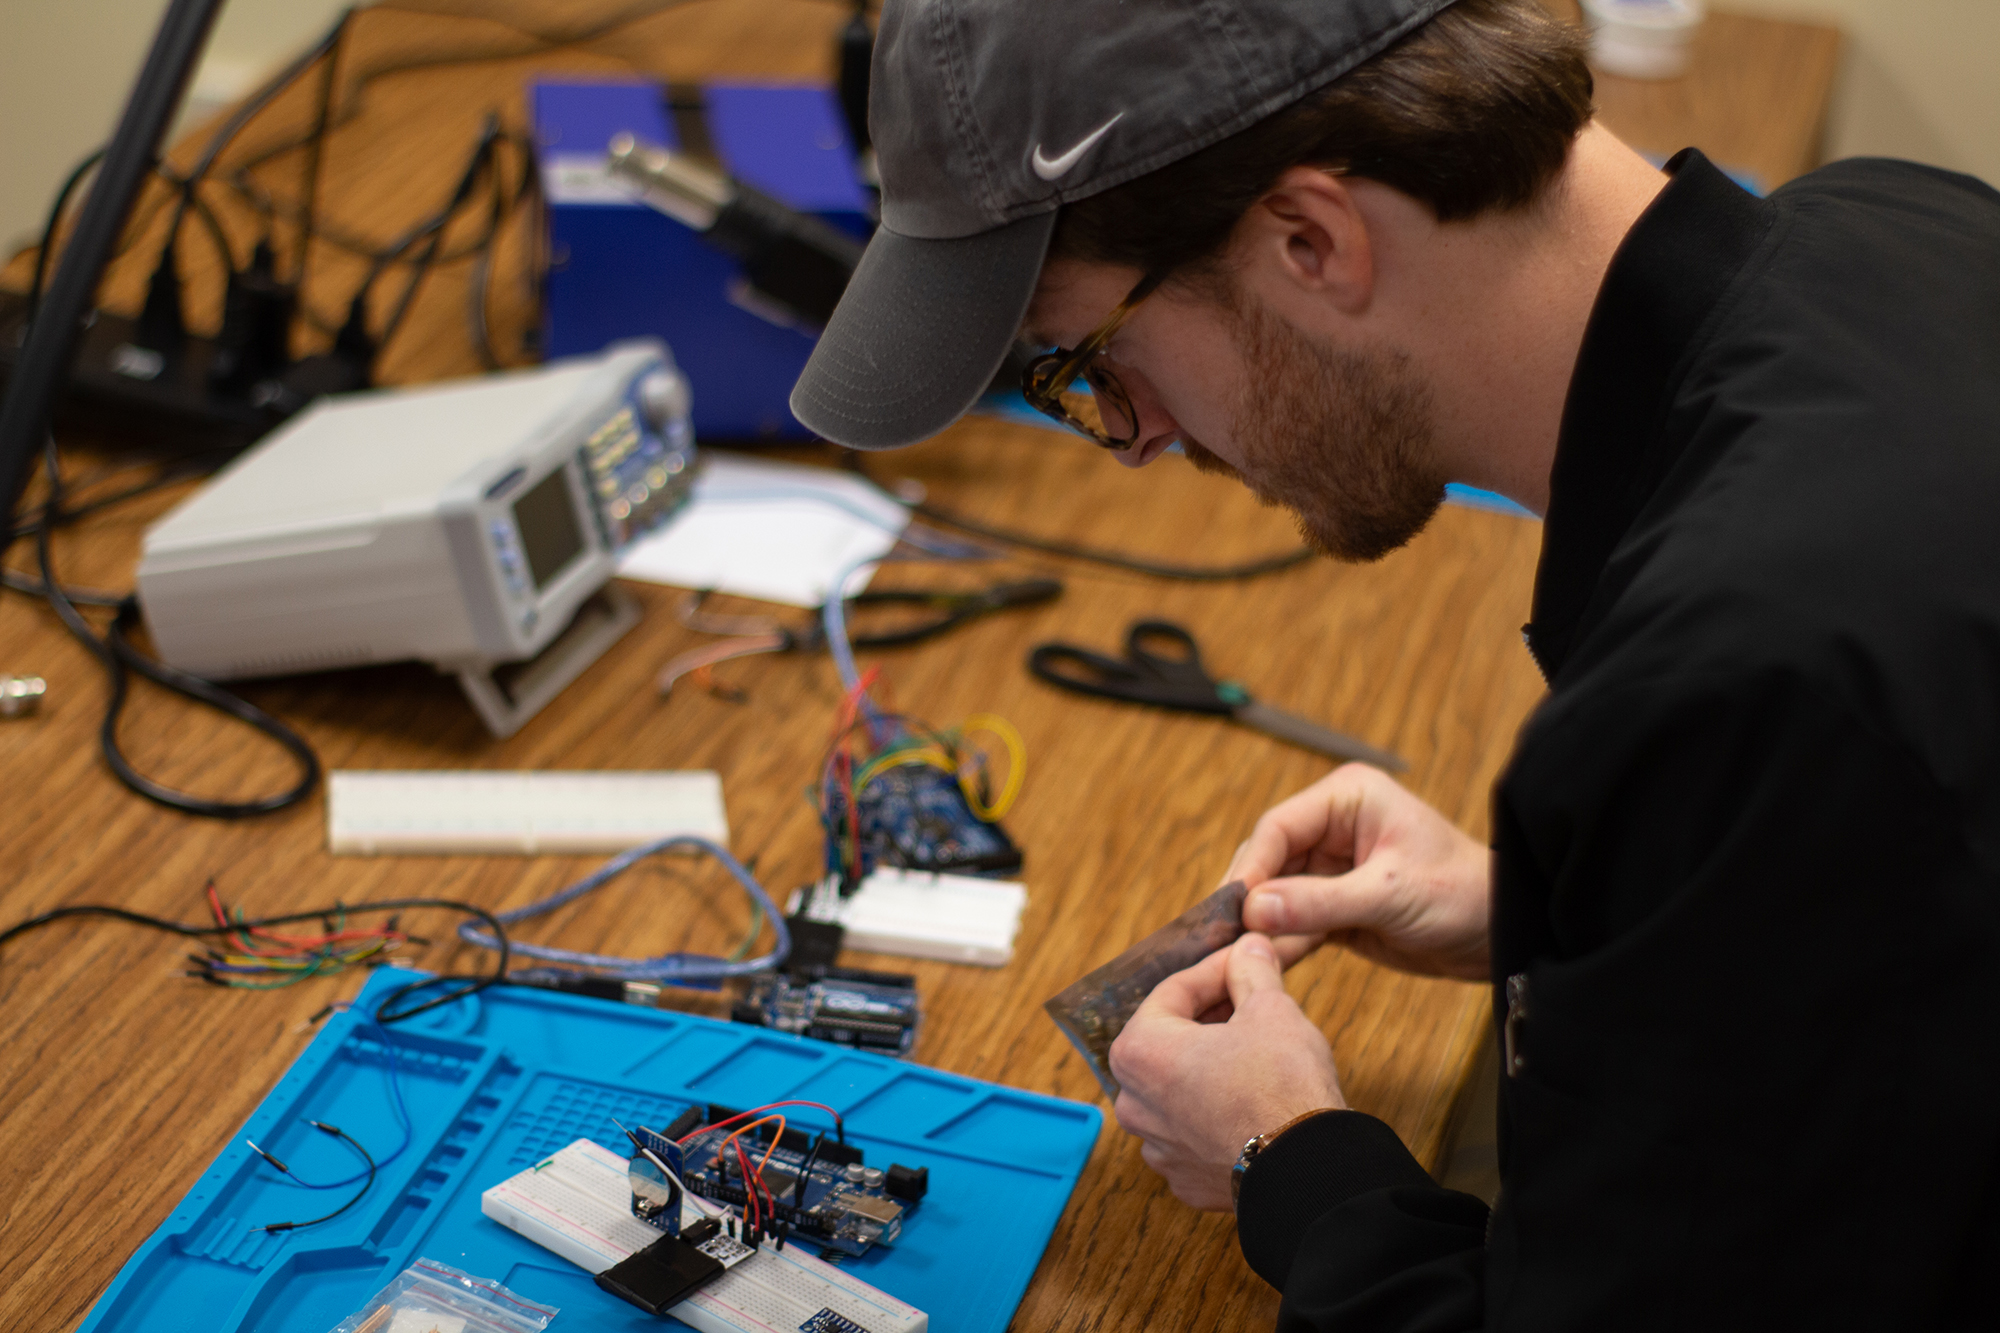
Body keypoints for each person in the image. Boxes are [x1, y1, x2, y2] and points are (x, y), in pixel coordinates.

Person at [791, 0, 2000, 1326]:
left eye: (1088, 363)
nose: (1129, 440)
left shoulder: (1741, 681)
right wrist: (1601, 905)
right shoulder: (1903, 226)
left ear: (1313, 240)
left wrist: (1287, 1160)